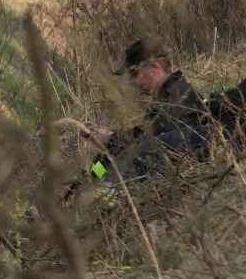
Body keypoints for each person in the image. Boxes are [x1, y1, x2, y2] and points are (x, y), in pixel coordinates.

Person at [81, 39, 208, 187]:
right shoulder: (167, 96)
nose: (132, 82)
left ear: (155, 68)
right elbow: (145, 134)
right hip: (162, 165)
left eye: (135, 74)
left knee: (116, 160)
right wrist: (107, 136)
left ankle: (91, 192)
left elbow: (149, 139)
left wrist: (110, 138)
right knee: (104, 158)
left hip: (177, 170)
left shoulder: (179, 95)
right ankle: (84, 186)